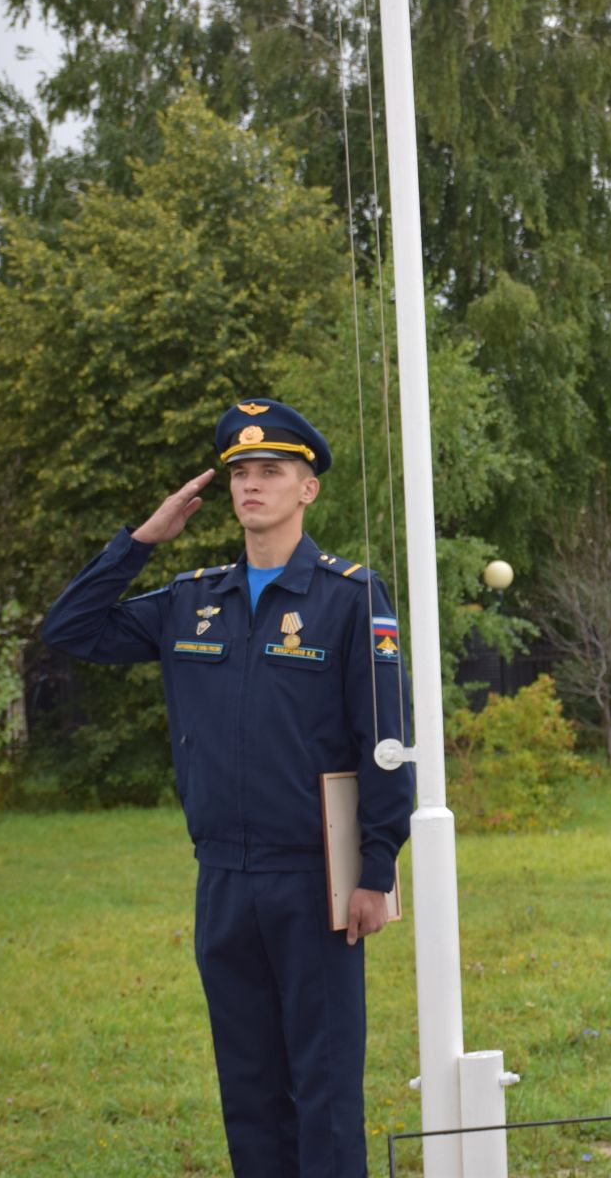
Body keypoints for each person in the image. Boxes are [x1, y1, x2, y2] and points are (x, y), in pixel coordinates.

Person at [42, 399, 412, 1178]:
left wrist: (376, 870)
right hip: (223, 878)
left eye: (271, 471)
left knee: (325, 1087)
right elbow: (69, 629)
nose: (252, 485)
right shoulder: (191, 600)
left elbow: (382, 743)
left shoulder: (348, 598)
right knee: (247, 1089)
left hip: (315, 878)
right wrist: (142, 541)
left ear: (307, 489)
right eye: (241, 472)